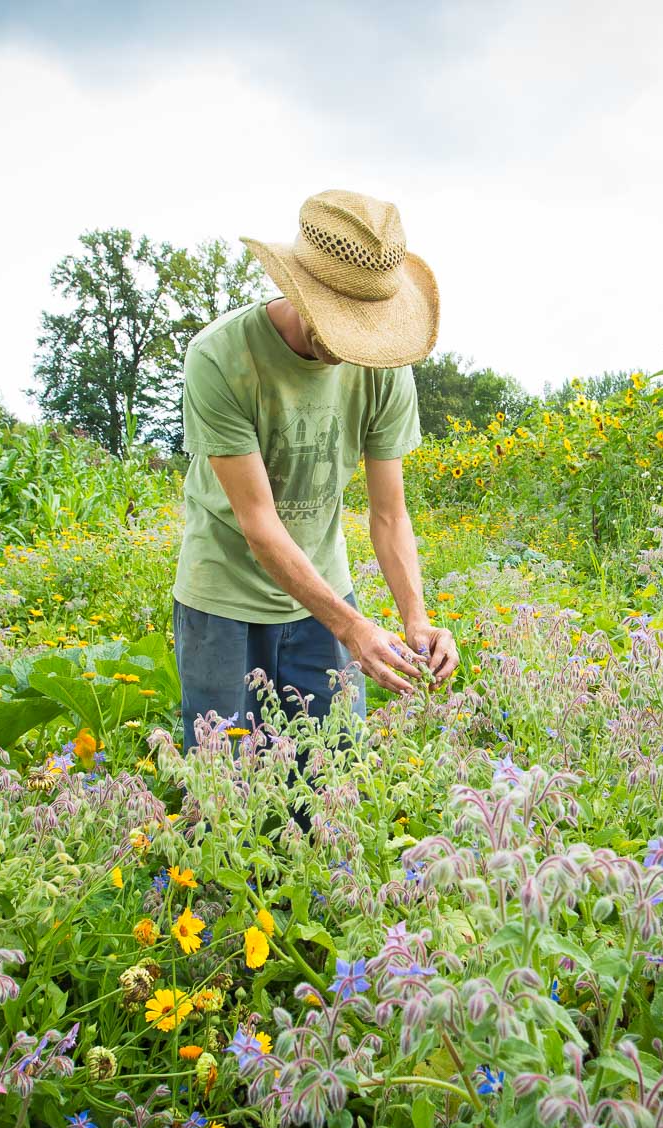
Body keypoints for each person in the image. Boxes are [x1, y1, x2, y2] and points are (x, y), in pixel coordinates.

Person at [171, 188, 458, 750]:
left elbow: (389, 512)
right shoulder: (221, 359)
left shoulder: (382, 370)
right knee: (224, 783)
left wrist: (415, 619)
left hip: (325, 588)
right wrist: (351, 628)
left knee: (334, 775)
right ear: (297, 289)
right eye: (341, 322)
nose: (354, 344)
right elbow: (259, 524)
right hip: (222, 598)